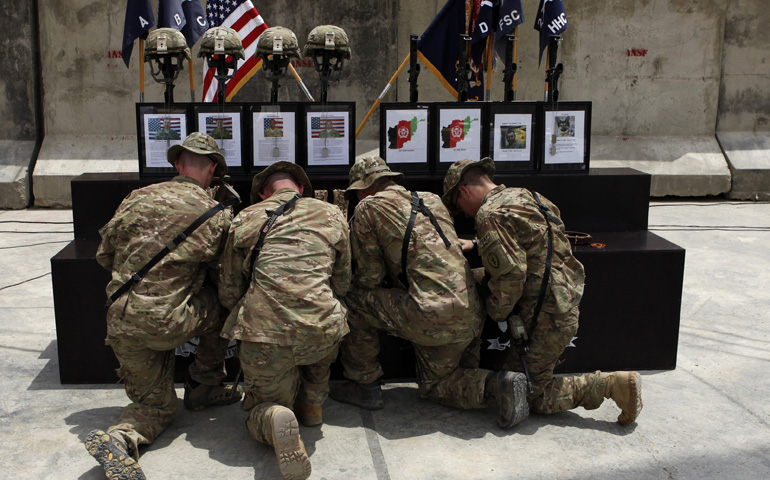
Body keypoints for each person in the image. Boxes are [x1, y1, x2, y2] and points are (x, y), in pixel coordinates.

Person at [330, 155, 529, 429]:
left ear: (364, 188)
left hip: (432, 316)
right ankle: (495, 383)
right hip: (472, 310)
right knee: (444, 381)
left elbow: (370, 277)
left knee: (352, 300)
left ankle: (365, 386)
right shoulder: (431, 199)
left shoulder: (369, 207)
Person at [85, 132, 241, 480]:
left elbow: (104, 255)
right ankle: (203, 386)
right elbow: (228, 282)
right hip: (169, 320)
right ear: (213, 169)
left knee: (154, 406)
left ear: (175, 164)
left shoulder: (136, 198)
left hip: (121, 319)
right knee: (224, 306)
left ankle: (120, 438)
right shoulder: (215, 214)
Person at [442, 157, 643, 425]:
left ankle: (609, 386)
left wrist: (495, 311)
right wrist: (479, 243)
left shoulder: (488, 214)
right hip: (564, 298)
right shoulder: (530, 197)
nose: (464, 214)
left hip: (545, 316)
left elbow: (510, 276)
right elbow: (533, 243)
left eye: (458, 207)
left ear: (464, 191)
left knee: (528, 394)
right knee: (473, 280)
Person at [218, 161, 350, 480]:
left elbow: (229, 288)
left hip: (266, 335)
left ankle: (273, 415)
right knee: (318, 357)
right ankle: (312, 407)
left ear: (263, 194)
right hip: (322, 330)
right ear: (301, 189)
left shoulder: (245, 218)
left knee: (261, 405)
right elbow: (343, 282)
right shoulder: (332, 215)